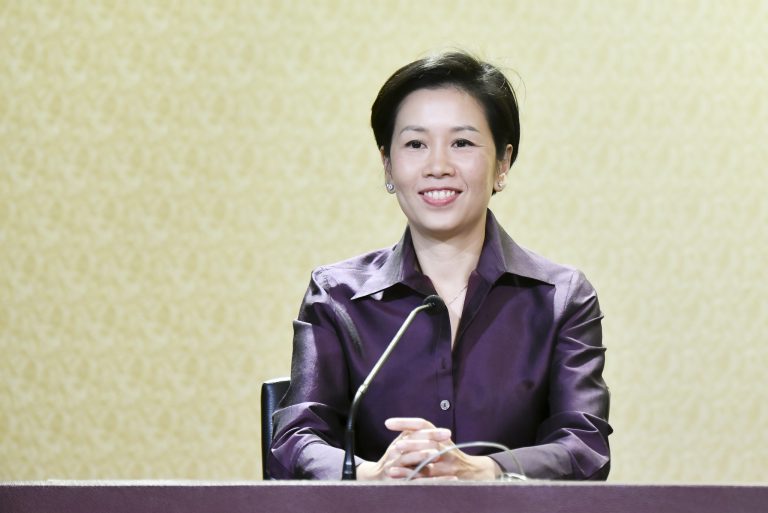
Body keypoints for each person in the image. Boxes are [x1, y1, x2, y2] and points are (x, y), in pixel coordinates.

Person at [267, 51, 612, 481]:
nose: (438, 167)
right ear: (387, 164)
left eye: (462, 143)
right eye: (416, 144)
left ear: (503, 163)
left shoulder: (561, 299)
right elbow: (295, 439)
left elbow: (585, 446)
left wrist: (484, 471)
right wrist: (374, 476)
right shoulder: (337, 297)